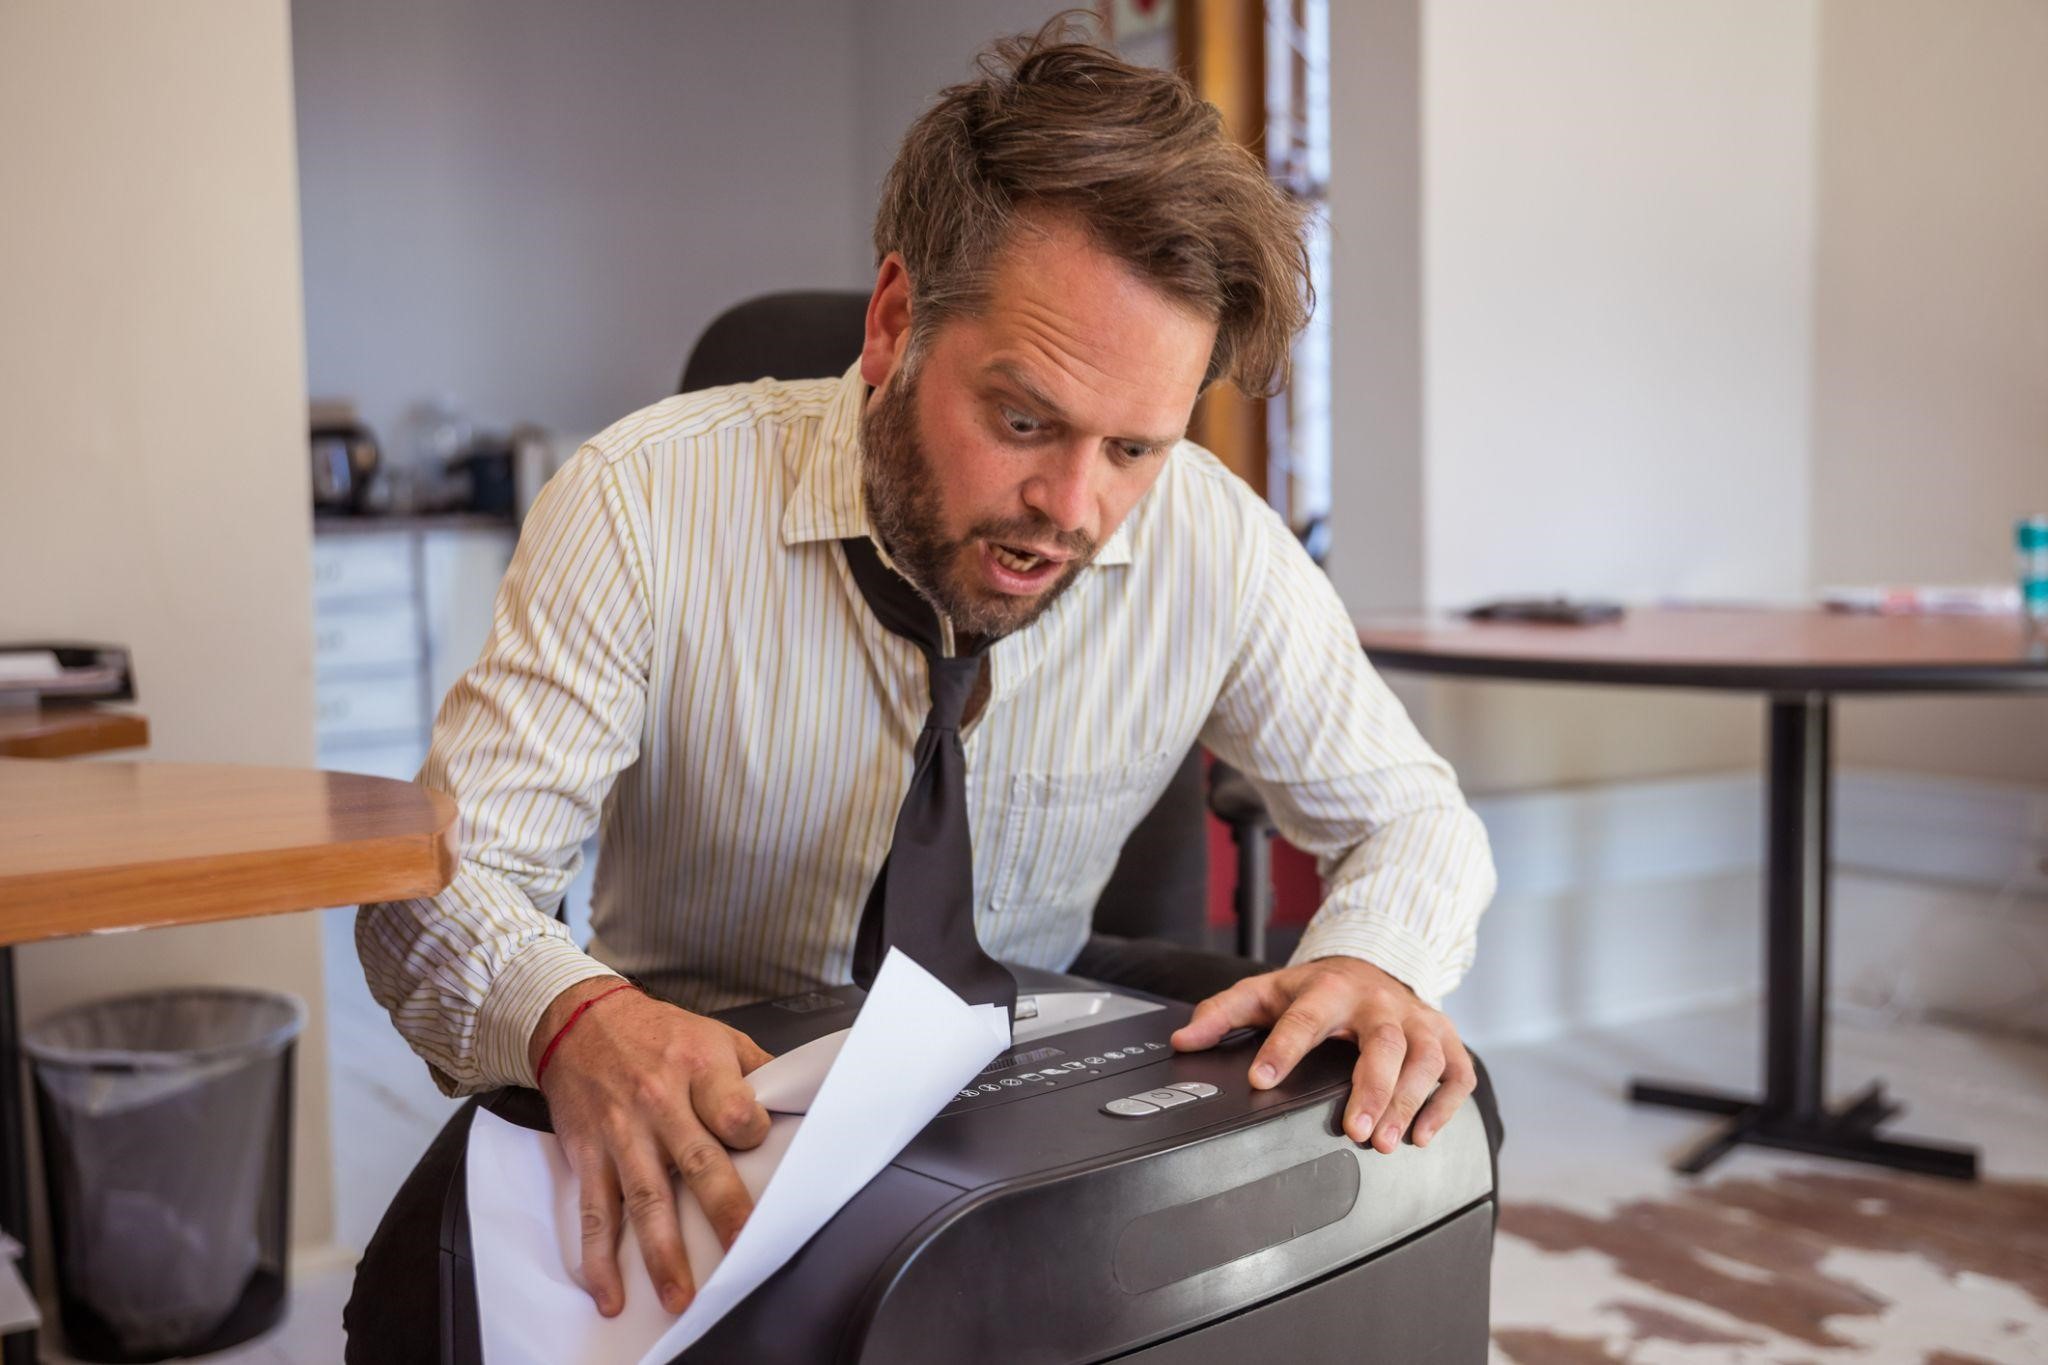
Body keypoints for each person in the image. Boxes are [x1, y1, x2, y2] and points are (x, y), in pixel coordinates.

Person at [344, 21, 1497, 1360]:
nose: (1074, 509)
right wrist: (571, 1016)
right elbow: (432, 885)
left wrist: (1369, 957)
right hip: (713, 1087)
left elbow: (1414, 818)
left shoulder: (1209, 538)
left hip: (1026, 1078)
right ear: (895, 321)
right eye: (1022, 420)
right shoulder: (642, 501)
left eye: (1132, 445)